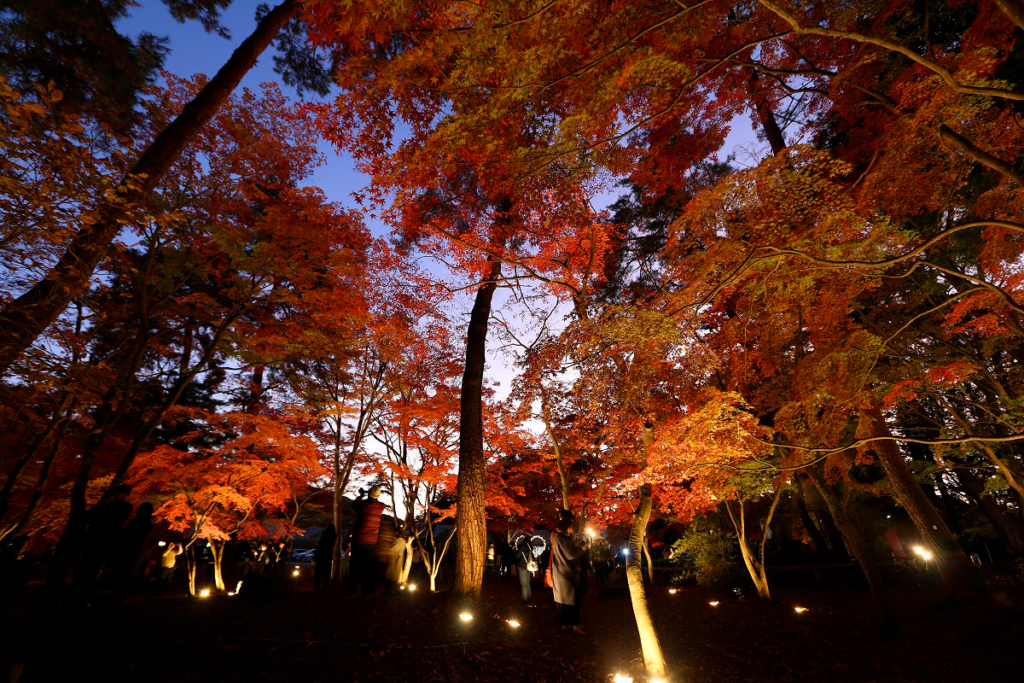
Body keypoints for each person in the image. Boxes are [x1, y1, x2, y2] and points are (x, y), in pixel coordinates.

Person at [551, 514, 589, 634]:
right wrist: (582, 548)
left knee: (563, 601)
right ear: (567, 527)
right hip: (566, 574)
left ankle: (565, 624)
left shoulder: (557, 537)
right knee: (572, 600)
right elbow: (570, 555)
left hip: (560, 573)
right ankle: (574, 626)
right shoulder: (562, 539)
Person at [109, 502, 153, 603]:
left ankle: (118, 595)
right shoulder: (147, 523)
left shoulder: (134, 522)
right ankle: (121, 596)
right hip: (135, 551)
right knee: (128, 574)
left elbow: (124, 535)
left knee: (122, 573)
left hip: (125, 549)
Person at [346, 485, 386, 596]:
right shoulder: (381, 507)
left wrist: (361, 496)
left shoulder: (363, 505)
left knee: (354, 567)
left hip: (358, 540)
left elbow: (353, 506)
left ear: (369, 494)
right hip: (372, 542)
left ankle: (351, 592)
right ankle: (367, 592)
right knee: (367, 568)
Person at [313, 523, 336, 591]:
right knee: (326, 574)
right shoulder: (333, 536)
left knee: (318, 573)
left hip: (320, 556)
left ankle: (316, 588)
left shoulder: (324, 536)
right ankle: (325, 587)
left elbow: (319, 546)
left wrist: (316, 556)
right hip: (328, 557)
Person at [515, 535, 535, 605]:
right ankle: (529, 599)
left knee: (523, 584)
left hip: (522, 566)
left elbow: (517, 555)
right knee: (527, 583)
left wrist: (514, 550)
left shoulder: (522, 544)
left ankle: (525, 600)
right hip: (528, 566)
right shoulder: (530, 545)